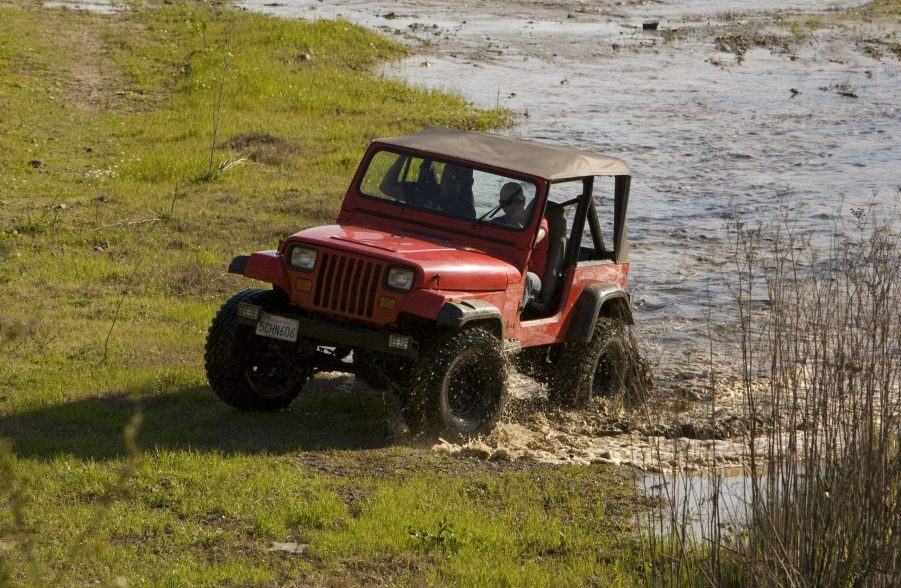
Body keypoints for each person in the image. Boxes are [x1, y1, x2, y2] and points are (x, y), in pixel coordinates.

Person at [495, 182, 548, 309]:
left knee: (527, 279)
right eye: (507, 203)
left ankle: (513, 317)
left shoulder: (538, 222)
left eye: (517, 201)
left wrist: (515, 227)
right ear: (502, 205)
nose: (513, 207)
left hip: (532, 276)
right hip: (505, 271)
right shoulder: (497, 223)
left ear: (524, 201)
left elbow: (535, 238)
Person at [379, 155, 476, 218]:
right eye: (445, 176)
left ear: (462, 183)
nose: (446, 183)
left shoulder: (466, 211)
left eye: (453, 179)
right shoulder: (425, 192)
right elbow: (386, 187)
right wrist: (404, 156)